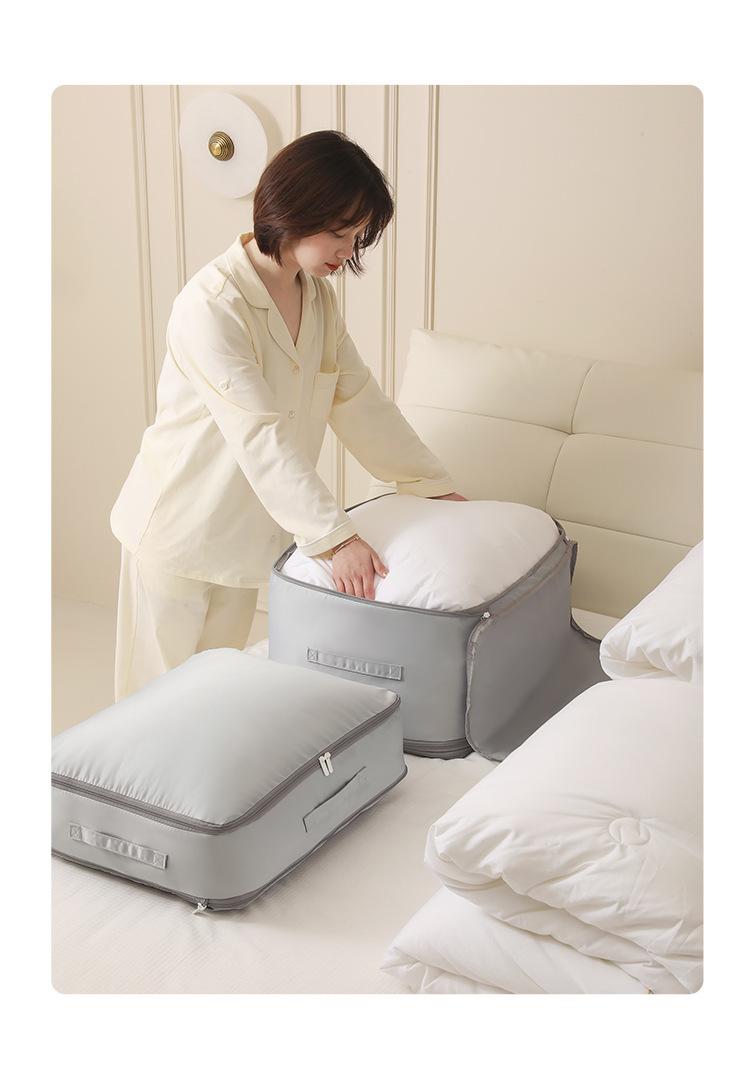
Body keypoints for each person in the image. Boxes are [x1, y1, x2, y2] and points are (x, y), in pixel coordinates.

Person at [110, 129, 465, 701]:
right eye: (339, 233)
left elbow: (360, 402)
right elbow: (259, 432)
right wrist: (336, 540)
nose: (348, 251)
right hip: (177, 529)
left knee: (211, 699)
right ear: (296, 210)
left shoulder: (317, 300)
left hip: (242, 538)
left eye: (357, 237)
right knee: (149, 707)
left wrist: (432, 486)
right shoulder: (213, 305)